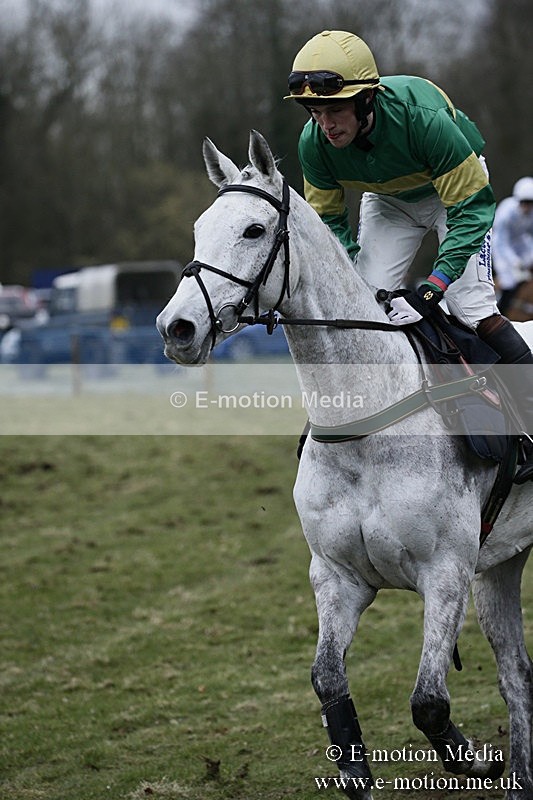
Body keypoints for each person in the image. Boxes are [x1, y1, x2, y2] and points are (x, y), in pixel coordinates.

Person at [284, 29, 533, 483]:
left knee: (472, 307)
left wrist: (436, 285)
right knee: (366, 305)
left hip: (455, 194)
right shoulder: (312, 143)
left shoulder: (422, 121)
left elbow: (472, 210)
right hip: (388, 201)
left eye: (336, 109)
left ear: (366, 101)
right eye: (316, 112)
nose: (326, 124)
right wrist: (356, 273)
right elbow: (329, 226)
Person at [492, 177, 533, 316]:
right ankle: (500, 311)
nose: (527, 207)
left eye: (531, 203)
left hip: (519, 242)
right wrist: (514, 261)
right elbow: (501, 241)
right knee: (509, 280)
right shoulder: (506, 212)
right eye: (524, 202)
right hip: (500, 245)